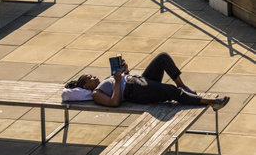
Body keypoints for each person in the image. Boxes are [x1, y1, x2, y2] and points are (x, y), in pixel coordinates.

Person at [66, 52, 230, 110]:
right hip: (135, 91)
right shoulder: (96, 93)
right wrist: (117, 80)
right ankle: (210, 102)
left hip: (139, 81)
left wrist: (125, 70)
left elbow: (122, 81)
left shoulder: (104, 83)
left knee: (162, 58)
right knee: (172, 92)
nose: (94, 77)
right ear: (86, 85)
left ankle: (182, 84)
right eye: (90, 78)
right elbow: (115, 102)